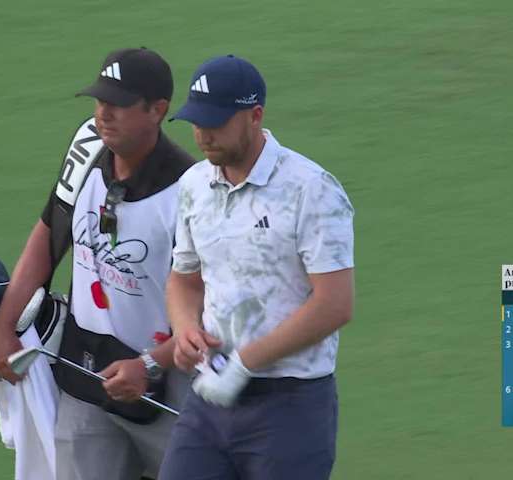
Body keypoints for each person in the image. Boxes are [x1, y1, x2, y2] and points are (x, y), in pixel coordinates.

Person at [0, 47, 194, 480]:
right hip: (85, 373)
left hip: (170, 389)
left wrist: (150, 364)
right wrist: (4, 328)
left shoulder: (191, 191)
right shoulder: (87, 146)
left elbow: (209, 308)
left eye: (118, 104)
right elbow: (47, 236)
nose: (104, 114)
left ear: (158, 110)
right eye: (100, 101)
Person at [160, 55, 355, 480]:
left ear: (255, 116)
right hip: (208, 400)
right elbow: (184, 279)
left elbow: (335, 304)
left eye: (216, 121)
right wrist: (185, 327)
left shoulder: (312, 190)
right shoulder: (194, 185)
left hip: (290, 406)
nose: (203, 134)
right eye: (196, 121)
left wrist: (245, 363)